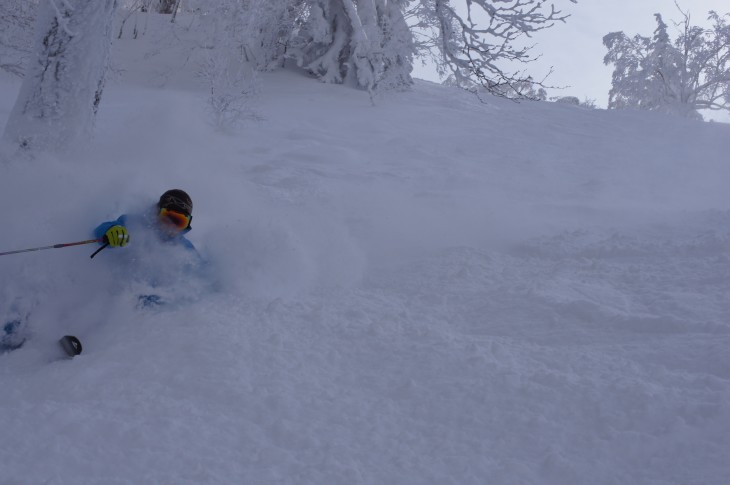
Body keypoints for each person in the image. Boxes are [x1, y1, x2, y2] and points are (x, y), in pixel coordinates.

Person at [1, 189, 199, 355]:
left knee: (110, 314)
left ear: (186, 225)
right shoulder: (134, 224)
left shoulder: (185, 250)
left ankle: (66, 345)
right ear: (157, 213)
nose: (171, 227)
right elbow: (103, 229)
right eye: (167, 218)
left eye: (179, 222)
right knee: (63, 305)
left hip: (136, 307)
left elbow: (201, 275)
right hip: (102, 285)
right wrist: (110, 232)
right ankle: (14, 335)